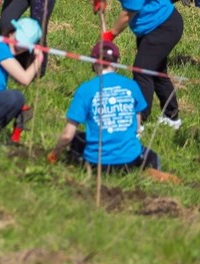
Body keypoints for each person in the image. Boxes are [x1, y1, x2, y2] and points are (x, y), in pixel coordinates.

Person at [93, 0, 183, 128]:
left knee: (141, 70)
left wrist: (110, 35)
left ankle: (139, 120)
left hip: (163, 26)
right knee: (156, 70)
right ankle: (172, 117)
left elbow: (127, 14)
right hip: (151, 27)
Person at [48, 40, 161, 172]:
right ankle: (150, 172)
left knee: (77, 139)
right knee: (151, 155)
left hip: (97, 164)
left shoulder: (85, 90)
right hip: (129, 161)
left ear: (94, 63)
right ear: (117, 62)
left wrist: (54, 154)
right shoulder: (132, 86)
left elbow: (67, 135)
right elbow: (136, 127)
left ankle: (75, 165)